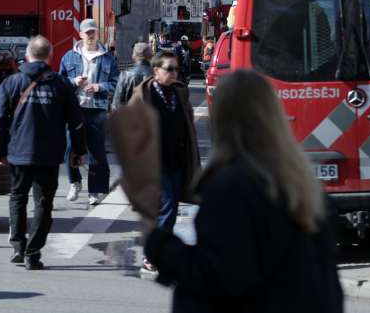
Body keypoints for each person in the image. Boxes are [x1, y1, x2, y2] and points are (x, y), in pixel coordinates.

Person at [142, 70, 342, 311]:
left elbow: (217, 279)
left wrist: (158, 244)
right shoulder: (305, 186)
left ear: (221, 120)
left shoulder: (234, 187)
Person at [0, 36, 87, 270]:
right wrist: (78, 151)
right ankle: (33, 254)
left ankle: (18, 247)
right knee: (43, 204)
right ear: (50, 57)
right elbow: (76, 123)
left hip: (18, 152)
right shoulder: (62, 85)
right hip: (49, 153)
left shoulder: (12, 82)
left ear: (26, 56)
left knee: (17, 197)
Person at [131, 50, 198, 273]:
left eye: (177, 68)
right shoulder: (143, 94)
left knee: (170, 208)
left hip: (176, 160)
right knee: (167, 207)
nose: (175, 72)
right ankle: (151, 256)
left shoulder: (179, 93)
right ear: (156, 70)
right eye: (170, 68)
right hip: (154, 164)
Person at [58, 18, 119, 205]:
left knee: (97, 150)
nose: (91, 36)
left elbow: (116, 83)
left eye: (94, 32)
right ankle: (75, 182)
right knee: (70, 148)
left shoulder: (107, 58)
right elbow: (59, 81)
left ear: (97, 34)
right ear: (81, 35)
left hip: (96, 109)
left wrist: (99, 87)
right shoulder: (69, 57)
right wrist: (73, 82)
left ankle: (95, 190)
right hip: (74, 109)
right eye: (88, 32)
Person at [113, 43, 154, 111]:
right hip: (151, 120)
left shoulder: (125, 75)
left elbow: (117, 104)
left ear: (133, 58)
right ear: (150, 57)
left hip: (129, 119)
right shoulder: (157, 75)